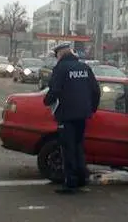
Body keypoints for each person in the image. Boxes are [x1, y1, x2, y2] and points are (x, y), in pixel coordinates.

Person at [43, 43, 101, 194]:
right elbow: (95, 90)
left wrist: (46, 101)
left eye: (57, 55)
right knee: (78, 146)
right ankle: (82, 178)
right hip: (82, 115)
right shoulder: (84, 67)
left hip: (66, 115)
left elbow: (54, 90)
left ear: (61, 54)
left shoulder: (60, 69)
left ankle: (70, 183)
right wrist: (92, 109)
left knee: (68, 149)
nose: (56, 58)